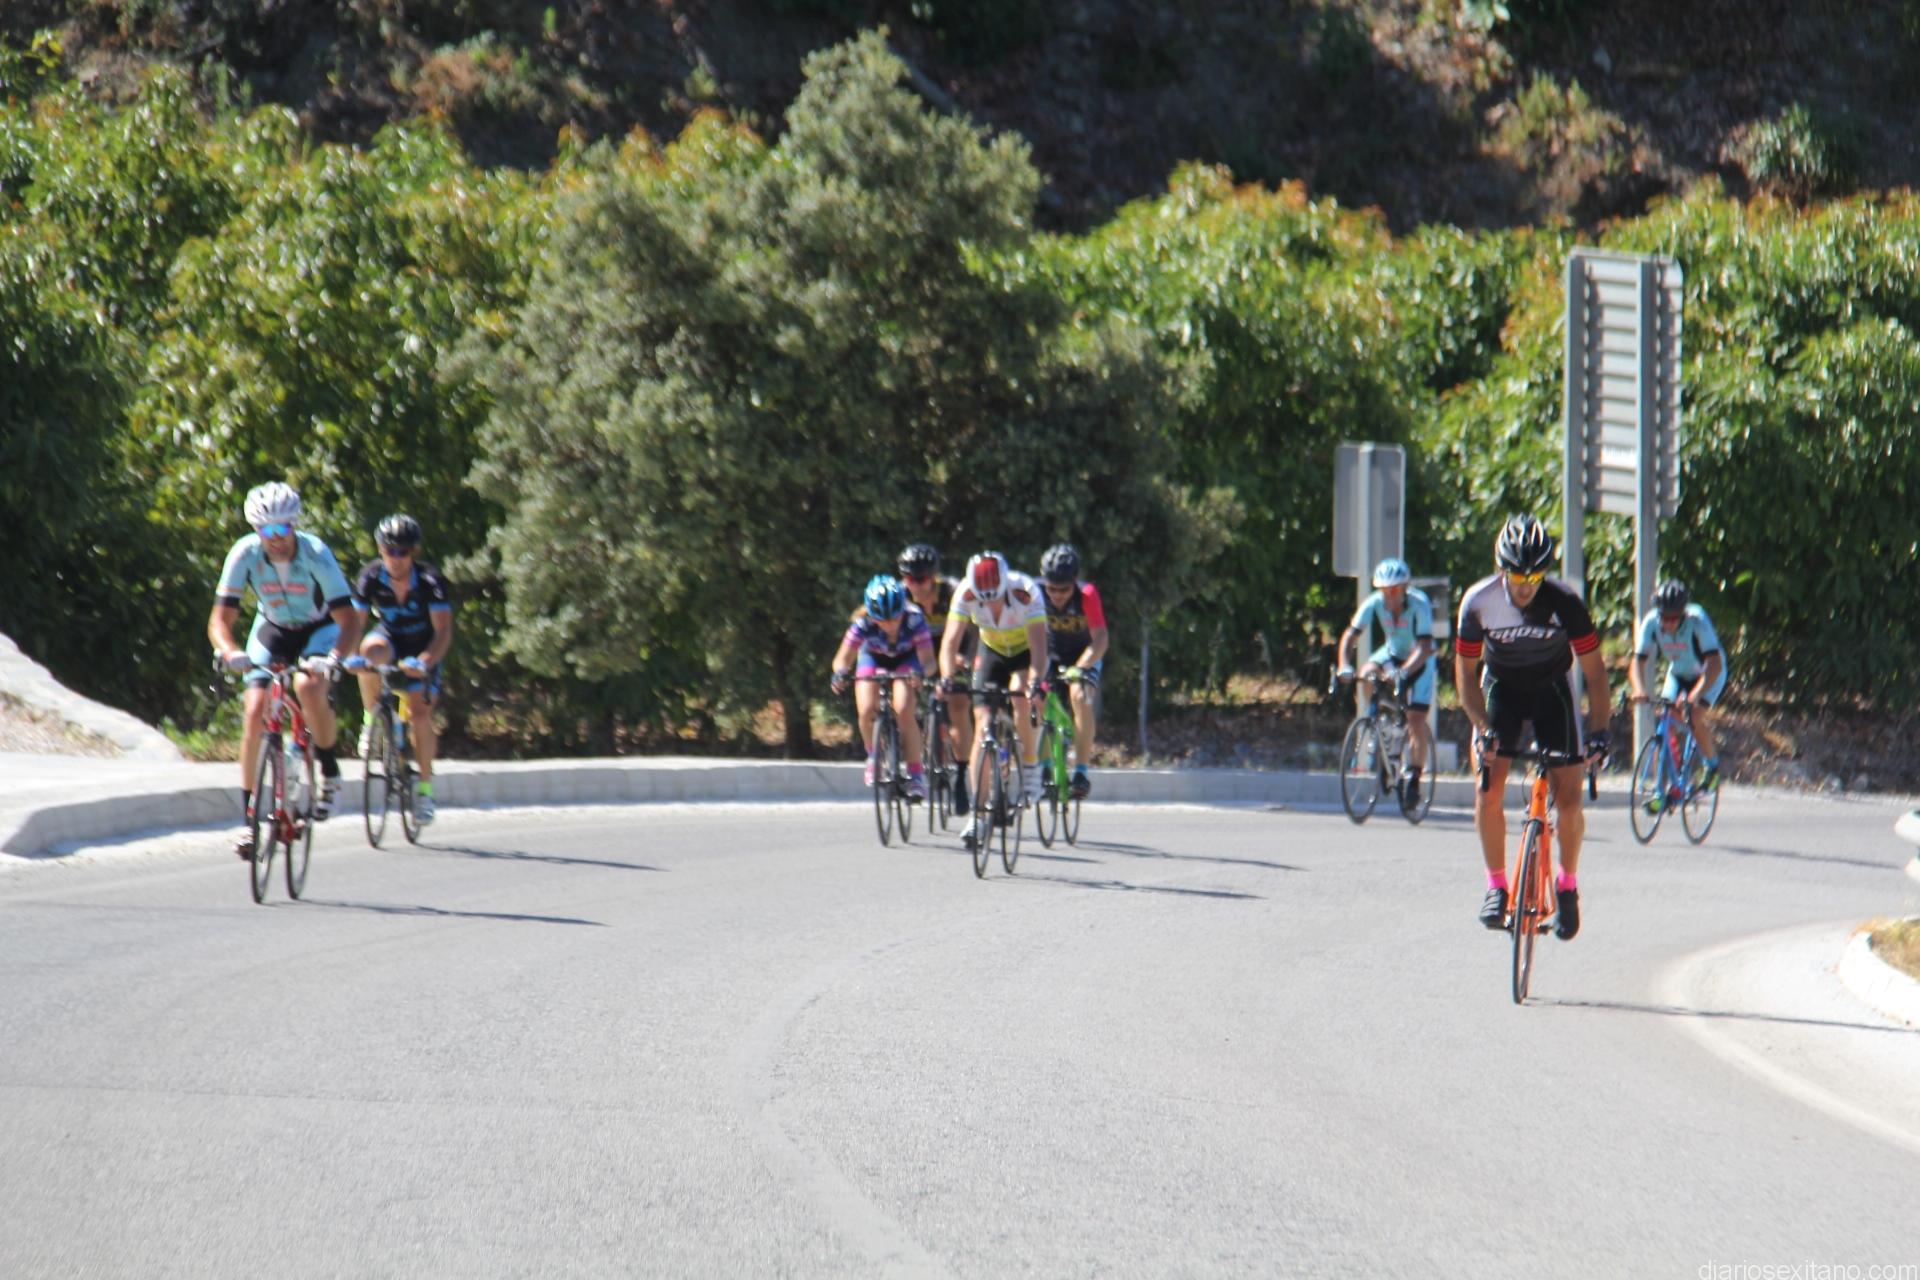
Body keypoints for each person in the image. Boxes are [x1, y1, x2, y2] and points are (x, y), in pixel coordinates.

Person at [1454, 515, 1611, 940]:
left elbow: (1596, 675)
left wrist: (1599, 732)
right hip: (1500, 691)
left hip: (1551, 692)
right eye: (1518, 576)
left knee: (1571, 800)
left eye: (1535, 577)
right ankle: (1496, 886)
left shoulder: (1565, 601)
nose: (1526, 587)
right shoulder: (1478, 601)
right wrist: (1482, 727)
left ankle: (1567, 885)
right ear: (1500, 568)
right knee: (1488, 789)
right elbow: (1465, 675)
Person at [207, 481, 360, 858]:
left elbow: (349, 619)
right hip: (273, 627)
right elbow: (220, 619)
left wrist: (334, 658)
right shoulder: (244, 553)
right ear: (256, 529)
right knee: (254, 711)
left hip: (319, 629)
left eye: (282, 528)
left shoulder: (316, 553)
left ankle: (329, 770)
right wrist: (229, 651)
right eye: (266, 529)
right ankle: (248, 820)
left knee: (308, 687)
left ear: (294, 525)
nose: (275, 537)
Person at [346, 514, 455, 826]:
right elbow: (355, 624)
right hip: (391, 639)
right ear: (380, 550)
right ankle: (372, 720)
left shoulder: (431, 581)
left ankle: (425, 791)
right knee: (369, 655)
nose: (396, 558)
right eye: (389, 550)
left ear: (413, 552)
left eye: (403, 552)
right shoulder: (371, 576)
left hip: (423, 646)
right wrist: (351, 656)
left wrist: (425, 662)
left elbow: (443, 633)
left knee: (420, 714)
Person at [940, 551, 1048, 850]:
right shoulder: (965, 592)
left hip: (1026, 652)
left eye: (996, 599)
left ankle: (1030, 767)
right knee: (983, 724)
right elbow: (950, 642)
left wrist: (1036, 682)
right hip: (992, 652)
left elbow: (1040, 649)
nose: (990, 605)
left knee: (1021, 697)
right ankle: (977, 815)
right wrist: (947, 676)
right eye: (984, 601)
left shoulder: (1025, 591)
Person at [1337, 557, 1436, 806]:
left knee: (1415, 719)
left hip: (1420, 659)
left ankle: (1414, 778)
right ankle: (1375, 722)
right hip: (1392, 653)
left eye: (1395, 590)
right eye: (1385, 590)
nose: (1389, 596)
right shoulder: (1374, 603)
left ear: (1405, 588)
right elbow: (1350, 635)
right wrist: (1344, 665)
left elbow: (1424, 646)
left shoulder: (1419, 603)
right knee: (1368, 671)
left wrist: (1404, 671)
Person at [830, 574, 936, 800]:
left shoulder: (915, 619)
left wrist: (921, 673)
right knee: (867, 709)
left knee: (904, 709)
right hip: (873, 658)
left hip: (906, 660)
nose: (890, 625)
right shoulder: (863, 623)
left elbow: (929, 661)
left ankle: (916, 774)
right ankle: (873, 756)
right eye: (882, 620)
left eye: (895, 618)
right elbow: (842, 659)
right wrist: (840, 673)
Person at [1628, 579, 1726, 792]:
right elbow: (1637, 662)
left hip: (1708, 674)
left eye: (1674, 618)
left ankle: (1712, 767)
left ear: (1683, 613)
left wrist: (1695, 695)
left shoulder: (1697, 620)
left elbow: (1715, 665)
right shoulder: (1651, 623)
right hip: (1678, 673)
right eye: (1665, 618)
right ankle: (1665, 786)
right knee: (1665, 720)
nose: (1669, 623)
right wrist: (1639, 689)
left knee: (1693, 716)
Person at [898, 542, 974, 813]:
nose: (915, 585)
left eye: (921, 579)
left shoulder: (953, 592)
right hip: (922, 653)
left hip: (956, 650)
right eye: (909, 579)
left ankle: (961, 776)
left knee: (958, 705)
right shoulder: (901, 596)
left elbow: (975, 631)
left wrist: (966, 659)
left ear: (934, 577)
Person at [1037, 542, 1108, 800]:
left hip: (1083, 655)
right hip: (1050, 654)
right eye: (1051, 588)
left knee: (1079, 696)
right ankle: (1045, 768)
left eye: (1064, 589)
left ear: (1074, 582)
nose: (1057, 595)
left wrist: (1080, 667)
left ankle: (1080, 772)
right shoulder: (1034, 593)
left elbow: (1100, 639)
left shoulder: (1087, 594)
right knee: (1038, 698)